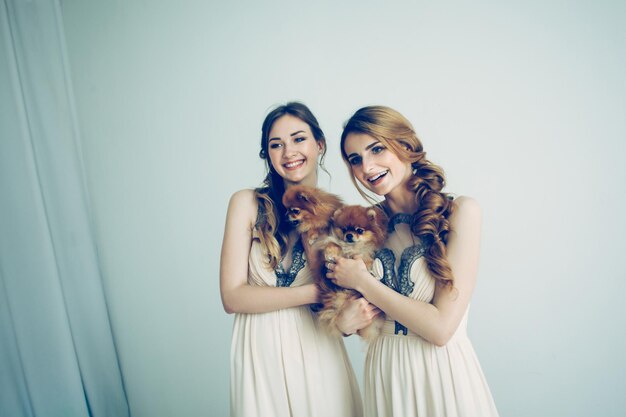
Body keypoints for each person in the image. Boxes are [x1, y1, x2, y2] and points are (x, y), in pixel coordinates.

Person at [326, 105, 499, 417]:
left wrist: (363, 282)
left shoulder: (461, 212)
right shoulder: (363, 225)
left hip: (440, 375)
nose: (366, 167)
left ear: (404, 145)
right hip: (384, 374)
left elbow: (440, 328)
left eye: (376, 149)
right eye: (355, 159)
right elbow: (340, 309)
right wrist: (344, 322)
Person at [220, 102, 367, 417]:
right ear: (268, 155)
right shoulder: (246, 204)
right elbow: (232, 297)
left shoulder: (339, 220)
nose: (288, 152)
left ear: (319, 144)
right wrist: (315, 293)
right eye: (276, 144)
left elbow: (343, 311)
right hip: (259, 353)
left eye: (298, 139)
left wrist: (347, 315)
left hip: (318, 353)